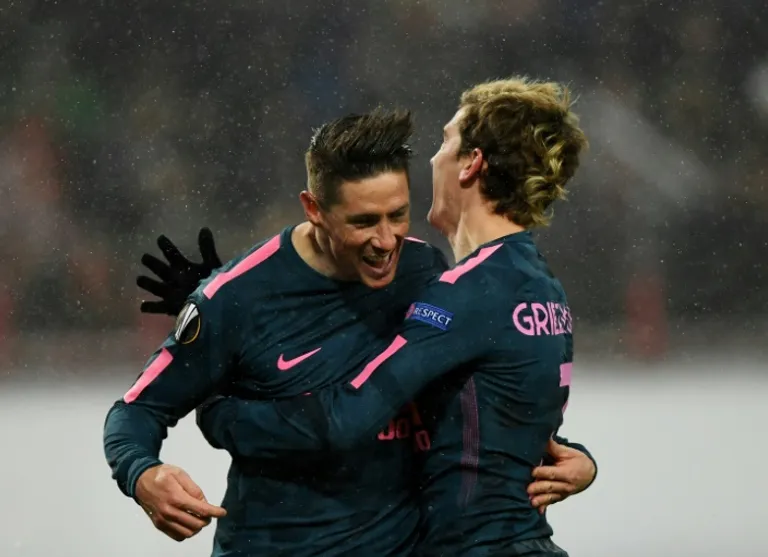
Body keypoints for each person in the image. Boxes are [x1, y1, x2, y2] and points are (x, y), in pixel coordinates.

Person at [138, 78, 595, 556]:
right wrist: (234, 310)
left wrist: (221, 409)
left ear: (472, 163)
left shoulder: (462, 290)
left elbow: (347, 417)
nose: (433, 159)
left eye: (445, 141)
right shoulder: (537, 283)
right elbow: (499, 410)